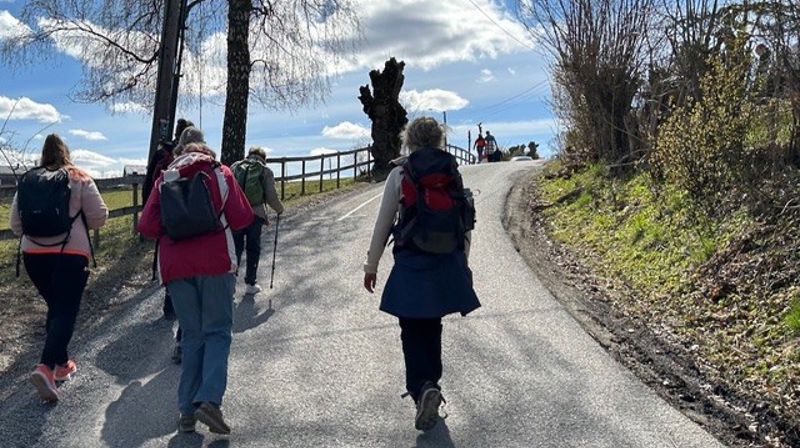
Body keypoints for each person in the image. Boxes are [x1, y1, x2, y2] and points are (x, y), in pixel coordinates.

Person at [362, 117, 480, 432]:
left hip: (412, 261)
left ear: (409, 141)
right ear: (439, 139)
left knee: (411, 328)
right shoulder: (451, 172)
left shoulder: (401, 173)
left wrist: (371, 266)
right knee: (433, 325)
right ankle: (432, 383)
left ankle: (422, 388)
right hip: (446, 259)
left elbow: (384, 222)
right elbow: (464, 222)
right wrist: (463, 263)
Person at [139, 140, 254, 435]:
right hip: (216, 261)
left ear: (181, 155)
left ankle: (187, 412)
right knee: (217, 332)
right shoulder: (220, 172)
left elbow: (147, 226)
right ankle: (210, 401)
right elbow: (242, 218)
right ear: (207, 153)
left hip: (176, 267)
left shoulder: (165, 178)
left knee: (192, 336)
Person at [10, 134, 108, 402]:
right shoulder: (79, 177)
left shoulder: (29, 180)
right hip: (70, 253)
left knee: (56, 307)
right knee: (65, 310)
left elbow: (16, 225)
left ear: (43, 154)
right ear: (66, 152)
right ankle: (45, 367)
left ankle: (62, 365)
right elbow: (99, 217)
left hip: (33, 256)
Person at [163, 125, 207, 364]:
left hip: (175, 245)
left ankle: (182, 342)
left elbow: (149, 222)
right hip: (204, 245)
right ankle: (196, 345)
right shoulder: (211, 168)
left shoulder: (168, 169)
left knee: (183, 298)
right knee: (200, 298)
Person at [231, 147, 284, 295]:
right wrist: (279, 209)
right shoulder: (265, 171)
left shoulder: (235, 167)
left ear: (248, 155)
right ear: (263, 158)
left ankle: (231, 283)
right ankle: (250, 283)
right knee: (253, 248)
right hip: (256, 214)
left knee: (235, 248)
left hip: (237, 213)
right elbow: (271, 196)